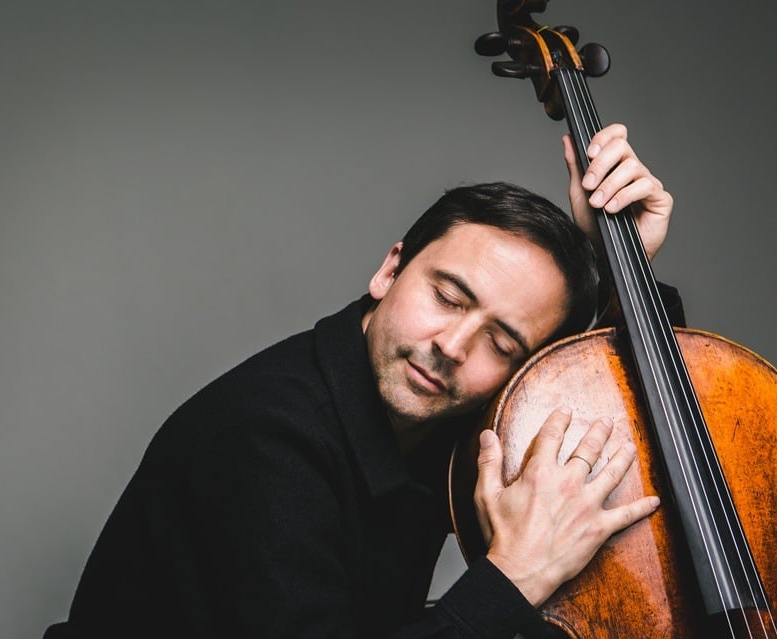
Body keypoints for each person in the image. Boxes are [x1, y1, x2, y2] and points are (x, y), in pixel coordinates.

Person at [43, 124, 684, 638]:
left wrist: (624, 262)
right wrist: (514, 578)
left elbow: (617, 417)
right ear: (390, 271)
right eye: (449, 297)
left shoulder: (451, 410)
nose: (453, 347)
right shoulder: (263, 438)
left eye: (502, 340)